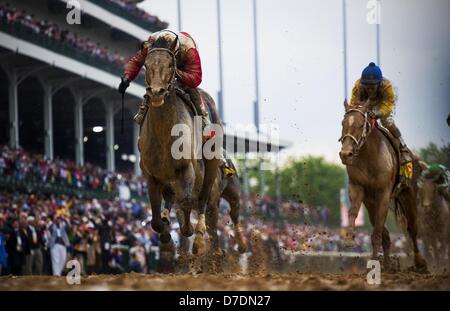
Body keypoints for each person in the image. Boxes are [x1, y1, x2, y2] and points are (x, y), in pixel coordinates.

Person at [118, 30, 207, 128]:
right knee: (154, 85)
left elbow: (196, 78)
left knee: (193, 92)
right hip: (159, 68)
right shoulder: (150, 44)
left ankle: (203, 120)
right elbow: (136, 61)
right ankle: (143, 110)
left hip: (182, 69)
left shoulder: (188, 49)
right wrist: (127, 78)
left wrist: (176, 72)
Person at [350, 62, 412, 181]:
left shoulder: (388, 87)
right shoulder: (358, 86)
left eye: (372, 87)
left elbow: (387, 107)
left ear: (379, 84)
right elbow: (354, 105)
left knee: (387, 121)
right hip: (366, 102)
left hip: (384, 101)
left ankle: (403, 147)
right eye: (366, 86)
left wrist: (377, 113)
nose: (369, 90)